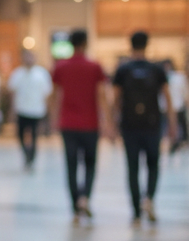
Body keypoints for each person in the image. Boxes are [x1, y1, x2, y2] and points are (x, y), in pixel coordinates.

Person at [113, 32, 175, 224]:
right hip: (152, 124)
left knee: (132, 167)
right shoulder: (156, 69)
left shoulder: (123, 70)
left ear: (130, 45)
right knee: (153, 164)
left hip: (129, 125)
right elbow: (167, 98)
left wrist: (112, 123)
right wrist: (172, 123)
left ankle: (136, 212)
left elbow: (116, 99)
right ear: (147, 45)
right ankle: (149, 198)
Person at [51, 29, 111, 223]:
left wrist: (53, 118)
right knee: (90, 163)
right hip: (90, 124)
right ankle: (85, 197)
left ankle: (75, 207)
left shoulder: (61, 67)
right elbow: (101, 95)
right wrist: (107, 121)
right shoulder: (95, 67)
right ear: (85, 43)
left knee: (71, 165)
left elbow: (55, 95)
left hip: (68, 124)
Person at [7, 48, 53, 168]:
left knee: (34, 135)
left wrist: (47, 110)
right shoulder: (17, 74)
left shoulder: (41, 74)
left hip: (36, 110)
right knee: (21, 134)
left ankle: (32, 157)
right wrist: (12, 110)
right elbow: (12, 93)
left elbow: (47, 93)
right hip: (21, 109)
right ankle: (26, 153)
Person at [164, 59, 188, 152]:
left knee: (179, 127)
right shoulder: (163, 76)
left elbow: (184, 92)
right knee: (169, 127)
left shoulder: (179, 77)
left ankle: (177, 142)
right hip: (167, 108)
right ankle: (172, 143)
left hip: (178, 106)